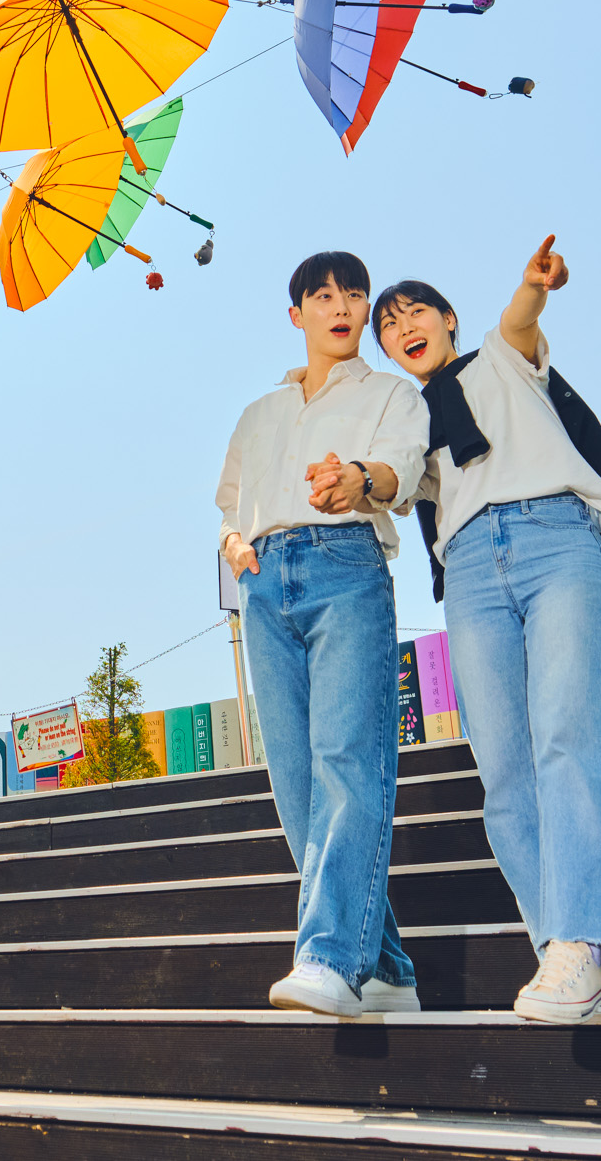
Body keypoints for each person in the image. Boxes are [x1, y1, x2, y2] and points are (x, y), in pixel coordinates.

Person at [362, 236, 601, 1025]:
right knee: (506, 769)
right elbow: (385, 480)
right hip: (471, 569)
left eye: (416, 311)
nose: (403, 326)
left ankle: (582, 943)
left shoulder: (496, 360)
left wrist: (531, 288)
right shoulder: (407, 422)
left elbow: (520, 324)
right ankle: (560, 948)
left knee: (567, 734)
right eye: (389, 324)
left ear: (449, 320)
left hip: (553, 534)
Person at [215, 251, 428, 1018]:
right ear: (297, 312)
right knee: (297, 785)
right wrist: (237, 549)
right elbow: (229, 509)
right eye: (323, 294)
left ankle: (331, 956)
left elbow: (401, 469)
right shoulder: (259, 413)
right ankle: (391, 971)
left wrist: (358, 478)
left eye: (354, 294)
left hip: (346, 564)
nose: (341, 306)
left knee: (348, 757)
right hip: (265, 583)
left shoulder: (390, 394)